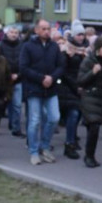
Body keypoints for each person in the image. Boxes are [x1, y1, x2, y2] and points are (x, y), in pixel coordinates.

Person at [19, 19, 64, 165]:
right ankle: (33, 151)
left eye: (48, 28)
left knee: (54, 118)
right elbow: (24, 68)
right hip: (34, 89)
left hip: (51, 89)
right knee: (35, 121)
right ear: (37, 30)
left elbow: (61, 66)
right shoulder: (28, 47)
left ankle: (45, 147)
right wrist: (41, 78)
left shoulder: (54, 47)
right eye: (43, 29)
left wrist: (52, 77)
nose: (46, 31)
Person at [77, 36, 102, 168]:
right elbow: (80, 81)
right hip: (90, 97)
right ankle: (89, 156)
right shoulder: (88, 61)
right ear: (98, 50)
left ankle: (90, 155)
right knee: (94, 127)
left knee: (94, 128)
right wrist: (93, 72)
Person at [59, 27, 88, 159]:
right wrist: (76, 86)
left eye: (83, 35)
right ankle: (69, 144)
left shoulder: (86, 49)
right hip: (67, 87)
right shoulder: (66, 50)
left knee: (78, 114)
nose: (81, 37)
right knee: (73, 113)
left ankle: (73, 138)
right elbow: (63, 71)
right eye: (79, 35)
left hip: (81, 85)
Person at [0, 25, 25, 137]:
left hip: (18, 79)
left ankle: (16, 128)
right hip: (4, 79)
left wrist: (18, 75)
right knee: (1, 105)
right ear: (7, 33)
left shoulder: (22, 45)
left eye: (16, 32)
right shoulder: (1, 45)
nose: (14, 34)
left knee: (17, 105)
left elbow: (24, 62)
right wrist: (7, 75)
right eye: (11, 32)